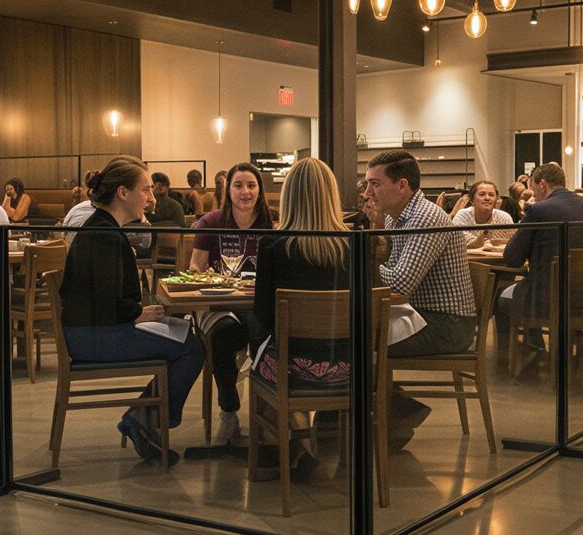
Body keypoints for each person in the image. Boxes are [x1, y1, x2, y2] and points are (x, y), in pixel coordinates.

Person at [60, 156, 203, 464]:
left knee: (184, 335)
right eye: (146, 190)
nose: (151, 198)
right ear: (123, 193)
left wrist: (137, 312)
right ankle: (144, 422)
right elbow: (106, 302)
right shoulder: (104, 235)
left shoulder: (103, 228)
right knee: (192, 347)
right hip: (93, 337)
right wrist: (137, 314)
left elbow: (106, 297)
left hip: (91, 330)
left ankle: (143, 419)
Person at [363, 150, 478, 449]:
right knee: (355, 336)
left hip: (447, 325)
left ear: (402, 185)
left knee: (358, 343)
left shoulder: (425, 218)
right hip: (419, 315)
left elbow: (400, 283)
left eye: (375, 184)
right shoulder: (396, 219)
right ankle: (396, 413)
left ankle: (393, 415)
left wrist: (361, 261)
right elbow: (392, 277)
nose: (367, 193)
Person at [253, 158, 356, 478]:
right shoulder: (355, 245)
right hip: (348, 367)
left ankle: (285, 447)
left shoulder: (273, 245)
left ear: (289, 196)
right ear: (332, 195)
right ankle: (303, 443)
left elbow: (263, 315)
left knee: (259, 360)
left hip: (292, 368)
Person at [190, 162, 274, 443]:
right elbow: (196, 268)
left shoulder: (271, 222)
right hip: (220, 305)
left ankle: (267, 413)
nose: (245, 192)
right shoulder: (211, 222)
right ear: (228, 190)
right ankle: (229, 413)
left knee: (267, 334)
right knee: (222, 335)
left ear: (259, 190)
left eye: (251, 185)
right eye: (238, 185)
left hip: (258, 305)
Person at [495, 162, 583, 353]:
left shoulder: (539, 210)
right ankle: (559, 350)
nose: (534, 195)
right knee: (530, 289)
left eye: (533, 189)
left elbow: (512, 258)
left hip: (547, 297)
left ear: (542, 184)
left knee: (503, 298)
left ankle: (524, 353)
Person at [452, 180, 515, 247]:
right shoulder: (462, 216)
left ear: (496, 200)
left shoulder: (504, 218)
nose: (487, 198)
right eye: (482, 194)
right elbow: (460, 244)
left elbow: (513, 244)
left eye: (491, 195)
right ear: (472, 200)